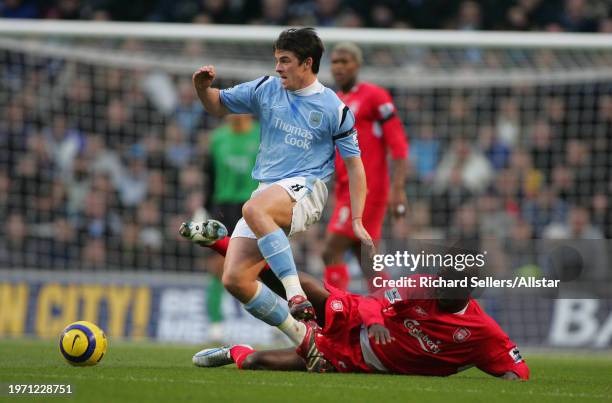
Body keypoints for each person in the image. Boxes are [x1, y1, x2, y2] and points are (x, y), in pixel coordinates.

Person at [190, 27, 373, 347]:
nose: (277, 67)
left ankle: (295, 294)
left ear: (307, 63)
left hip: (308, 188)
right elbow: (218, 104)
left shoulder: (335, 108)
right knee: (235, 279)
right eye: (276, 60)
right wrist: (202, 88)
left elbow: (356, 166)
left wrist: (357, 219)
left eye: (285, 60)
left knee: (253, 208)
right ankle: (302, 337)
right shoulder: (266, 89)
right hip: (268, 191)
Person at [186, 220, 529, 380]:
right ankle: (222, 243)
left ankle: (234, 352)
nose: (437, 285)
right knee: (302, 286)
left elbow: (517, 370)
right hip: (354, 319)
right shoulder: (421, 284)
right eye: (439, 277)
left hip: (353, 359)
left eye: (447, 282)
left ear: (466, 289)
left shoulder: (481, 332)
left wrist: (510, 379)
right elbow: (374, 301)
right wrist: (377, 320)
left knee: (256, 363)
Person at [324, 42, 409, 292]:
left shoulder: (374, 96)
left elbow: (399, 144)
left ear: (357, 65)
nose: (339, 67)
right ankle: (391, 309)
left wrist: (399, 188)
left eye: (345, 61)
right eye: (335, 62)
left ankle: (335, 314)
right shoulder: (336, 101)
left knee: (330, 250)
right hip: (345, 189)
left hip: (368, 188)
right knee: (366, 260)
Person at [204, 114, 260, 339]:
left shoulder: (261, 135)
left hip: (255, 204)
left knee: (264, 266)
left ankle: (279, 323)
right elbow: (209, 176)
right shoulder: (218, 138)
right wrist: (204, 208)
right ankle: (216, 324)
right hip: (223, 207)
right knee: (218, 267)